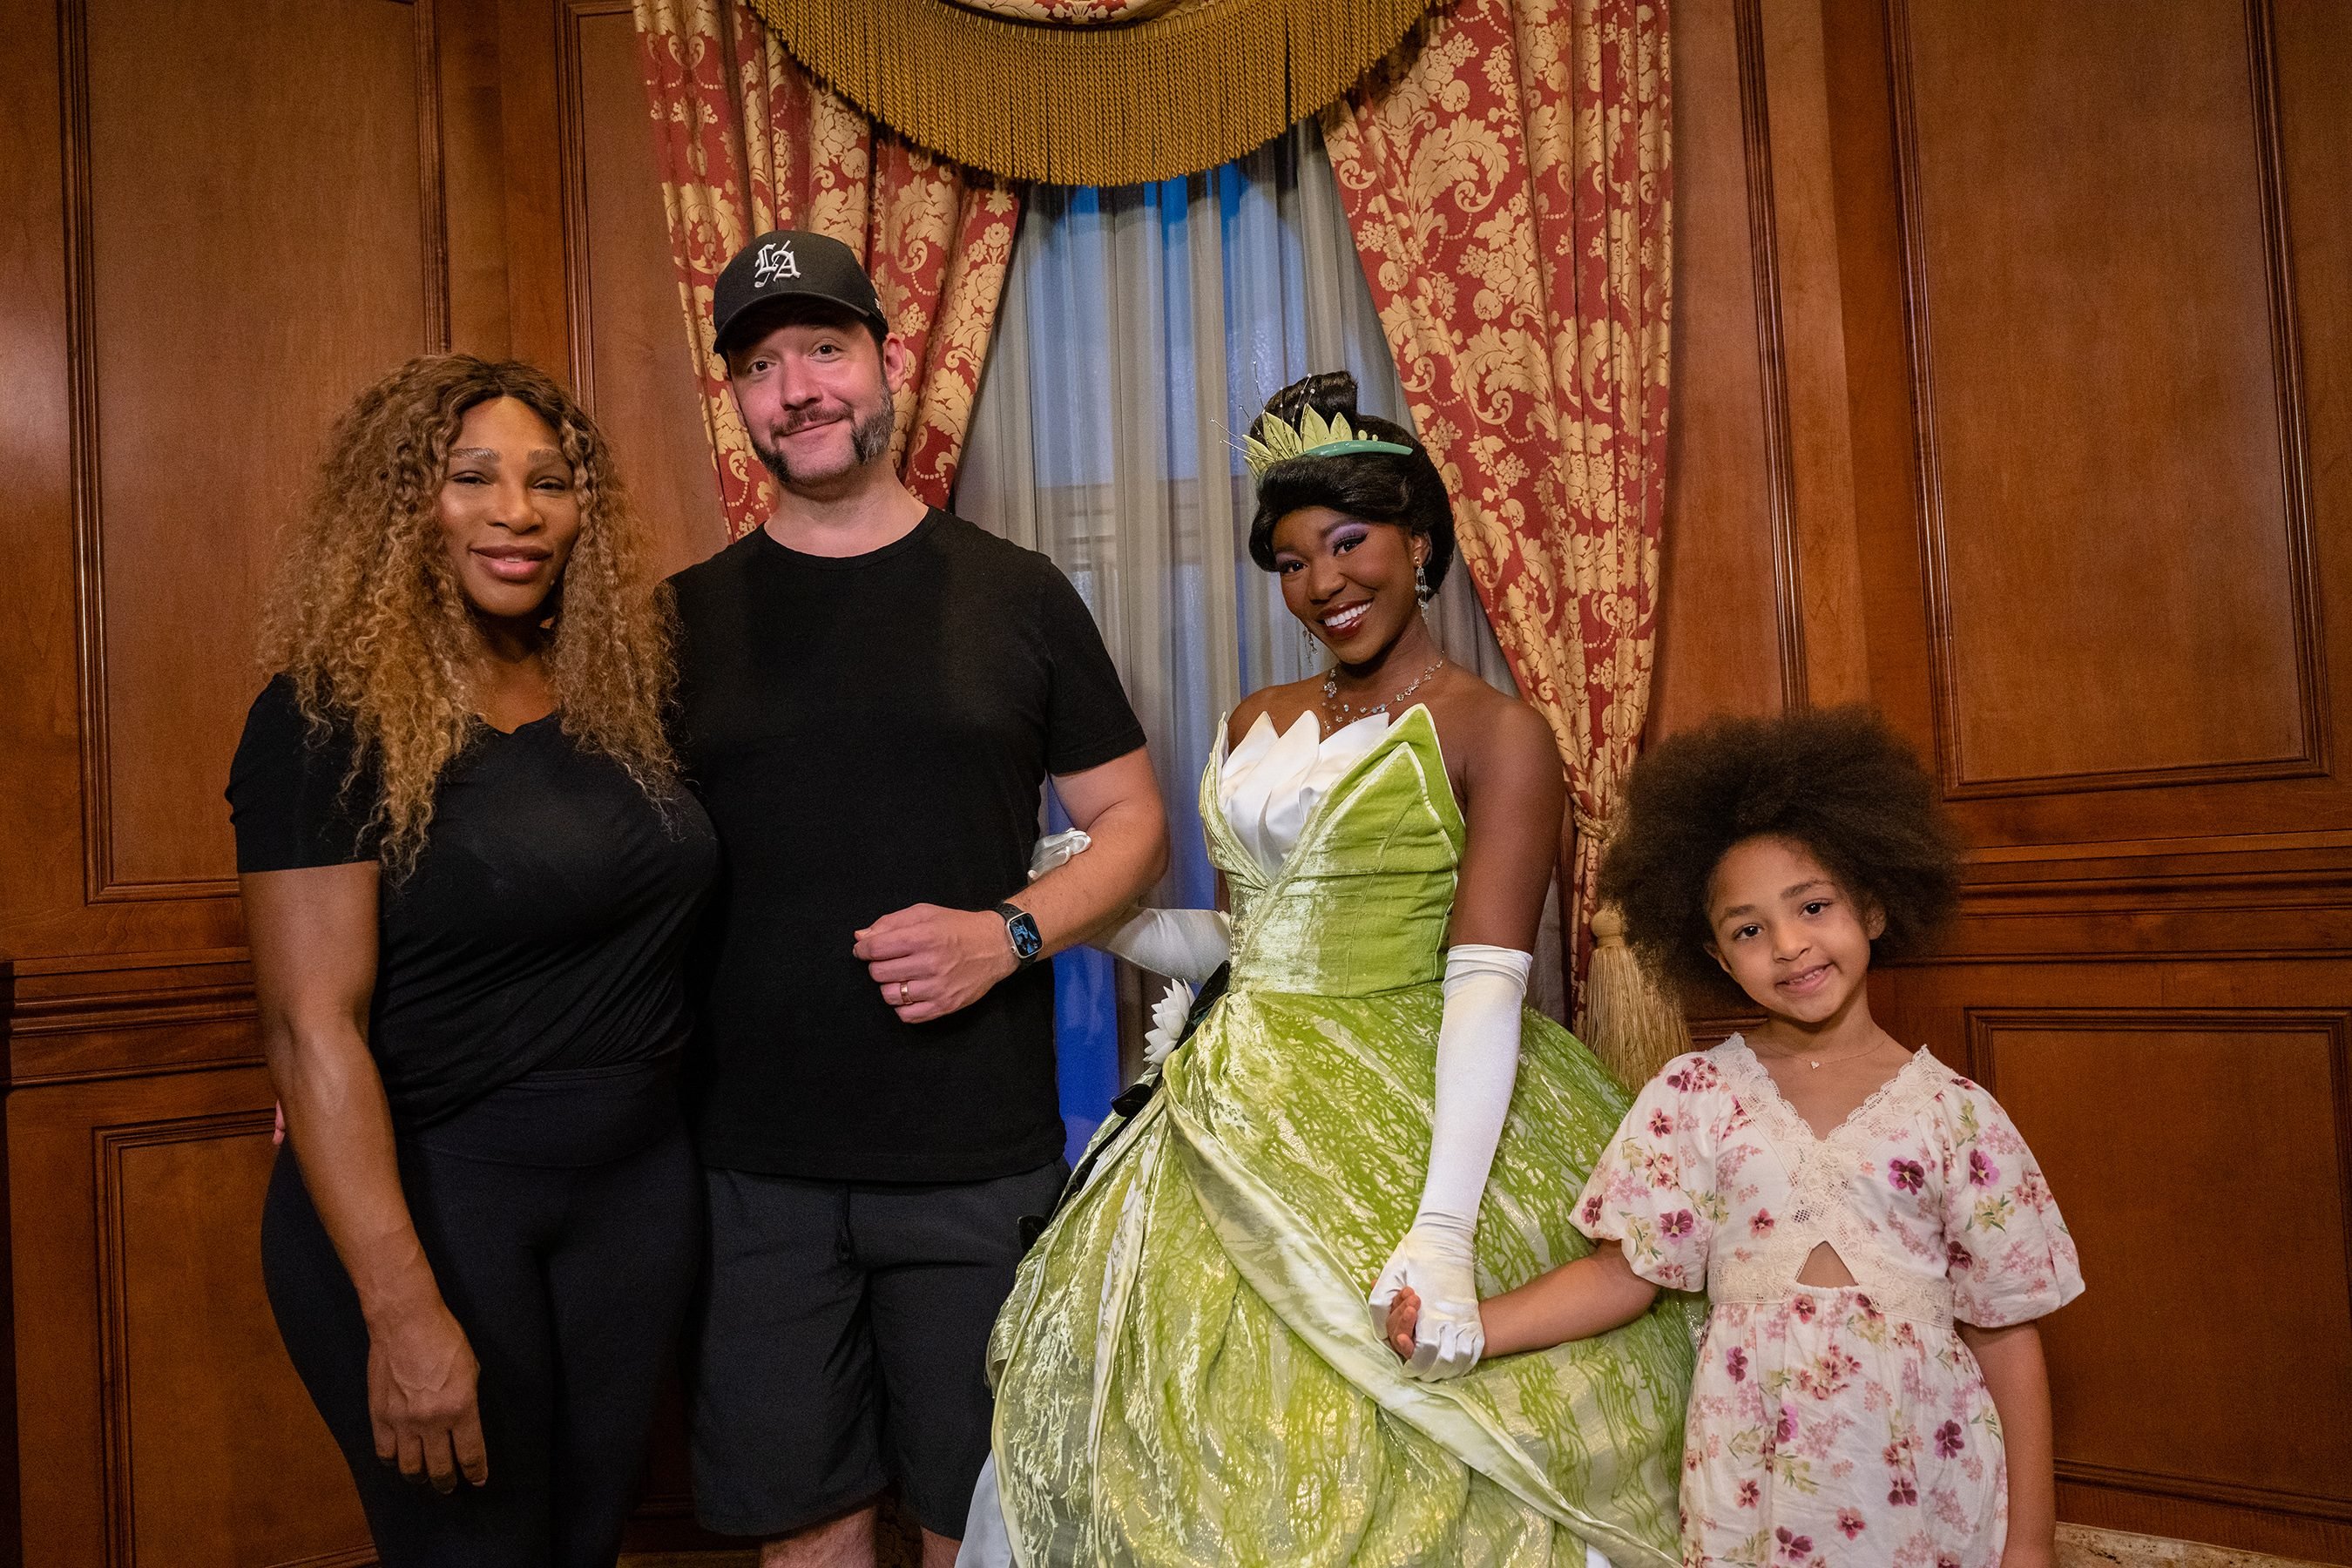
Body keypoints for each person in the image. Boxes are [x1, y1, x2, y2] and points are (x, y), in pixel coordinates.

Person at [975, 373, 1696, 1568]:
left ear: (1421, 544)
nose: (1323, 583)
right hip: (1227, 1099)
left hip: (1420, 1084)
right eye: (1293, 561)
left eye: (1350, 542)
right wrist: (1104, 917)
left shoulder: (1497, 732)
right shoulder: (1253, 716)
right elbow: (1251, 944)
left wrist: (1444, 1231)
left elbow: (1484, 984)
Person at [666, 230, 1169, 1568]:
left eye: (824, 349)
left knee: (976, 1535)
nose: (797, 389)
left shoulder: (1018, 595)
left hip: (973, 1160)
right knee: (804, 1543)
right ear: (740, 400)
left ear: (886, 363)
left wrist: (1009, 934)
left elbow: (1134, 828)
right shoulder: (678, 623)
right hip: (753, 1173)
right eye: (760, 367)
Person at [1387, 706, 2085, 1568]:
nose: (1789, 946)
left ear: (1871, 908)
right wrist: (1469, 1327)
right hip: (1752, 1492)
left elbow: (2006, 1335)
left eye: (1813, 906)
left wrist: (2031, 1543)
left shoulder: (1961, 1116)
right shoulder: (1694, 1097)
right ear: (1717, 957)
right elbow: (1619, 1274)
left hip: (1930, 1492)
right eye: (1749, 929)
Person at [229, 355, 716, 1565]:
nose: (517, 513)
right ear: (405, 505)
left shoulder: (622, 695)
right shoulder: (324, 720)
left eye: (549, 482)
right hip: (440, 1208)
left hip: (633, 1203)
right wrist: (402, 1315)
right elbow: (310, 1029)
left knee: (583, 1547)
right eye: (473, 478)